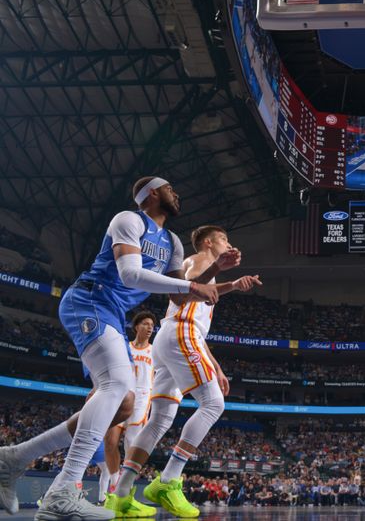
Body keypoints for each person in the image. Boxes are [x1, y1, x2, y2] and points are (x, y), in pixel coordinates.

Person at [0, 177, 224, 520]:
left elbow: (180, 297)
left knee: (124, 405)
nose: (176, 193)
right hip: (88, 300)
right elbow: (131, 275)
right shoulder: (129, 220)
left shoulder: (173, 242)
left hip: (111, 313)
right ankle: (63, 491)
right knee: (117, 386)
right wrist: (193, 283)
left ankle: (14, 458)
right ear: (150, 194)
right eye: (169, 188)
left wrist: (217, 274)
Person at [107, 225, 261, 518]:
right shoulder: (200, 260)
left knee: (159, 420)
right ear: (208, 242)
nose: (229, 243)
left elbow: (199, 293)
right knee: (214, 404)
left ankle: (121, 495)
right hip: (182, 333)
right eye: (224, 239)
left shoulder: (205, 268)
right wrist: (218, 266)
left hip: (172, 338)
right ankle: (167, 480)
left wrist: (233, 284)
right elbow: (183, 294)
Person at [102, 311, 157, 498]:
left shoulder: (155, 351)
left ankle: (125, 488)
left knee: (131, 443)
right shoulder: (125, 346)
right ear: (136, 327)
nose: (150, 328)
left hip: (142, 396)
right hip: (121, 393)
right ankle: (115, 481)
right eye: (146, 324)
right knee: (109, 441)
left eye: (152, 325)